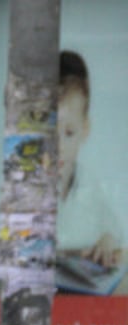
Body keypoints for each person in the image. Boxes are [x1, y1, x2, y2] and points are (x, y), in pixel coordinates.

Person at [57, 49, 123, 275]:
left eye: (69, 133)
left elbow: (113, 229)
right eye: (49, 134)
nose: (58, 148)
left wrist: (106, 241)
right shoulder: (28, 184)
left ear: (84, 130)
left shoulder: (87, 184)